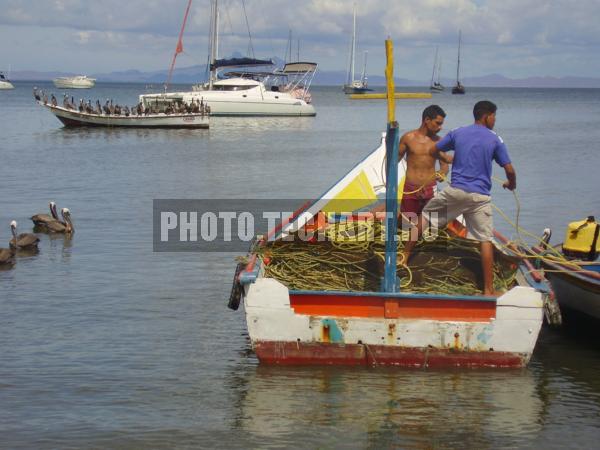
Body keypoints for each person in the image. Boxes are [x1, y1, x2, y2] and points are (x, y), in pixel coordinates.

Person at [403, 100, 516, 296]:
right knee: (486, 239)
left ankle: (404, 257)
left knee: (425, 216)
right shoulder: (495, 139)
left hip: (456, 191)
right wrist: (510, 184)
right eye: (494, 116)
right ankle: (488, 291)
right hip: (480, 196)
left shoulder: (458, 132)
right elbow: (510, 170)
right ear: (486, 116)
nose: (495, 120)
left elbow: (433, 150)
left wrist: (449, 160)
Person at [398, 105, 449, 218]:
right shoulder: (408, 138)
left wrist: (442, 172)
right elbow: (392, 162)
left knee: (430, 225)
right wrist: (389, 184)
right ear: (427, 120)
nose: (440, 127)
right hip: (410, 189)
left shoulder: (439, 142)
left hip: (430, 188)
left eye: (441, 124)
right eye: (438, 123)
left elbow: (444, 165)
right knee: (407, 223)